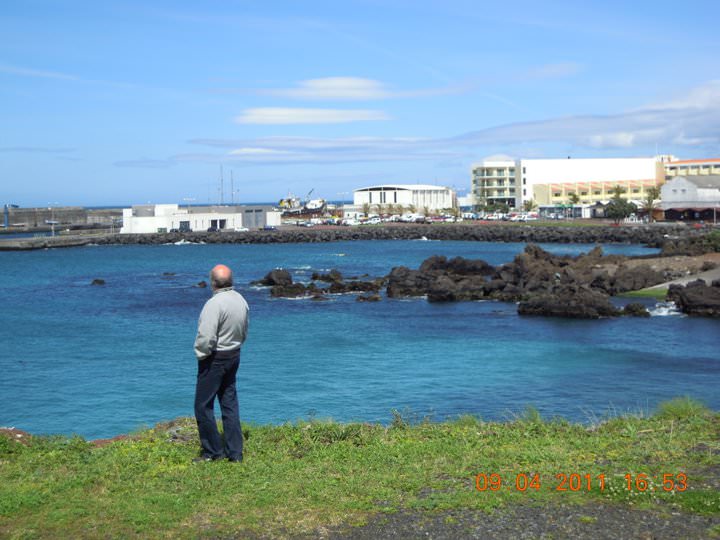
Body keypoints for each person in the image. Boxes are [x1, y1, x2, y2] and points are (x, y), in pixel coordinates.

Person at [193, 264, 249, 462]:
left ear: (213, 282)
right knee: (229, 403)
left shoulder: (214, 304)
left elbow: (206, 336)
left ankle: (213, 452)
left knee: (202, 406)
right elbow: (244, 329)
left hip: (215, 357)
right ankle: (235, 453)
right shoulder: (240, 299)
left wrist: (201, 354)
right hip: (234, 354)